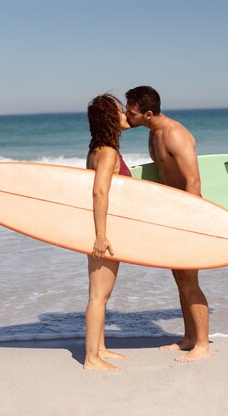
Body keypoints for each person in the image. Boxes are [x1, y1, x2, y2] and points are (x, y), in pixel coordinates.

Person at [125, 86, 211, 362]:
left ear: (148, 114)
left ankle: (203, 346)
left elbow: (194, 180)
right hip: (172, 213)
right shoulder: (152, 130)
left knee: (190, 280)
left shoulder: (175, 133)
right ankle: (189, 338)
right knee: (179, 278)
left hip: (187, 215)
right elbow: (124, 124)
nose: (128, 115)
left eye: (132, 111)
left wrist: (188, 222)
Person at [84, 93, 132, 371]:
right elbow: (99, 192)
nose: (126, 116)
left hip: (107, 229)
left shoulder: (97, 149)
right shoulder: (108, 152)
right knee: (98, 296)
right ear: (110, 118)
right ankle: (91, 359)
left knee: (101, 294)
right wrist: (101, 235)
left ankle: (100, 348)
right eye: (121, 111)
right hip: (105, 232)